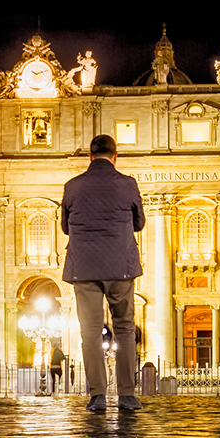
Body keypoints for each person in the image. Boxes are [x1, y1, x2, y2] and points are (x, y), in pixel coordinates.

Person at [62, 133, 145, 411]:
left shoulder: (72, 186)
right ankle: (127, 395)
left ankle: (97, 395)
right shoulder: (127, 184)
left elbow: (65, 226)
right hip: (120, 266)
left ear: (89, 156)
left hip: (83, 267)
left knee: (90, 332)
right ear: (115, 156)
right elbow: (139, 222)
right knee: (124, 328)